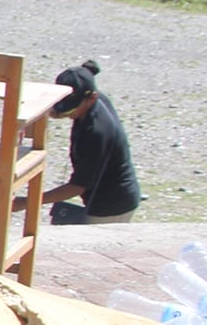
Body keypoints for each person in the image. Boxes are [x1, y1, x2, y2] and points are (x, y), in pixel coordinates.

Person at [44, 59, 141, 224]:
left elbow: (78, 185)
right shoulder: (93, 99)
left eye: (72, 108)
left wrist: (28, 202)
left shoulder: (96, 132)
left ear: (91, 98)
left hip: (111, 205)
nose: (68, 113)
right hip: (110, 199)